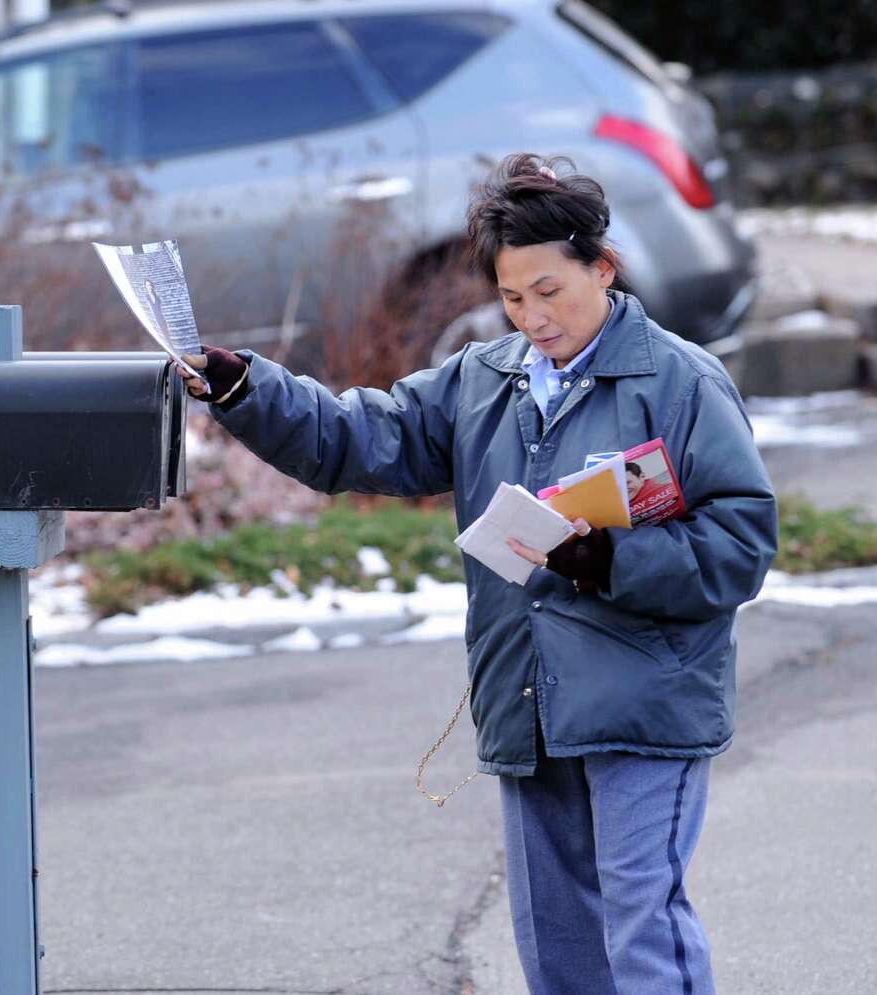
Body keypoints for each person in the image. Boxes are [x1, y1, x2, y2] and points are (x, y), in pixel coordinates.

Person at [177, 153, 778, 995]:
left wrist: (607, 558)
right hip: (528, 706)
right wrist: (248, 390)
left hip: (648, 701)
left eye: (550, 290)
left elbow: (741, 542)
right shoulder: (480, 381)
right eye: (511, 296)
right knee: (557, 945)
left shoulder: (679, 380)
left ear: (602, 268)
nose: (532, 316)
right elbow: (359, 436)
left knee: (643, 923)